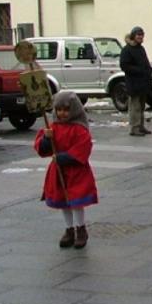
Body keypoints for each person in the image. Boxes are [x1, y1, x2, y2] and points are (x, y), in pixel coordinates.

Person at [34, 91, 98, 250]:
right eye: (59, 109)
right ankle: (69, 229)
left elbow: (83, 147)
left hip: (76, 172)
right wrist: (46, 139)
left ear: (74, 110)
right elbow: (42, 149)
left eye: (66, 109)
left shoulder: (79, 129)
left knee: (76, 202)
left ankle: (80, 228)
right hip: (58, 171)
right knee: (63, 201)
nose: (62, 113)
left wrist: (65, 157)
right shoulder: (52, 128)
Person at [120, 26, 152, 136]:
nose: (140, 37)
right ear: (133, 36)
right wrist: (139, 70)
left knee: (142, 106)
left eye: (141, 35)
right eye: (138, 35)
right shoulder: (127, 49)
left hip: (143, 82)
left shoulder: (140, 48)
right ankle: (134, 128)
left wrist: (148, 70)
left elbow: (145, 62)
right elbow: (124, 65)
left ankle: (141, 126)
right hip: (134, 83)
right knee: (135, 107)